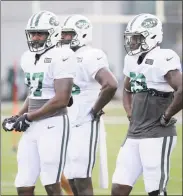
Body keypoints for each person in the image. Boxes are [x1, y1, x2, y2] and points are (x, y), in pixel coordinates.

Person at [2, 10, 76, 196]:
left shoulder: (63, 55)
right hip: (32, 126)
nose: (35, 37)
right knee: (24, 182)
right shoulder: (28, 57)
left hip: (54, 124)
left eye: (40, 33)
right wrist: (18, 115)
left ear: (52, 33)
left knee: (51, 182)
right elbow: (33, 94)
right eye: (32, 33)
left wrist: (28, 116)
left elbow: (62, 98)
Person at [111, 13, 182, 196]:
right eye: (132, 38)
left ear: (152, 36)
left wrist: (167, 115)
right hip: (134, 133)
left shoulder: (163, 57)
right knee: (119, 188)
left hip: (157, 133)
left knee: (155, 191)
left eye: (137, 38)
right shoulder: (131, 59)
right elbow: (126, 89)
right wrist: (129, 113)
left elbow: (181, 89)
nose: (133, 42)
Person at [59, 14, 118, 195]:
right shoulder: (64, 56)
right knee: (71, 180)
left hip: (84, 124)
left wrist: (94, 110)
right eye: (63, 34)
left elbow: (110, 84)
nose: (63, 38)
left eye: (68, 34)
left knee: (82, 179)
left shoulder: (90, 55)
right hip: (67, 122)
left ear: (82, 34)